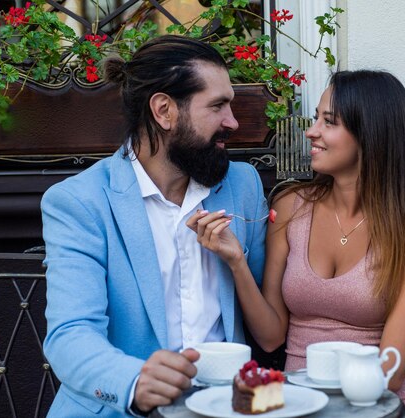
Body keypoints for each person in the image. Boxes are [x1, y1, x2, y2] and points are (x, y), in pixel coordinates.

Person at [189, 69, 405, 417]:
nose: (311, 131)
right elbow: (271, 336)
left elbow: (390, 377)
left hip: (391, 405)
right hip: (301, 405)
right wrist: (237, 262)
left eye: (329, 122)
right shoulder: (290, 207)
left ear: (370, 134)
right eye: (316, 118)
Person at [40, 35, 268, 417]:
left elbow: (264, 307)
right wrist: (134, 382)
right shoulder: (80, 202)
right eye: (218, 106)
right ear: (164, 110)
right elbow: (70, 335)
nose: (233, 121)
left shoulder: (242, 185)